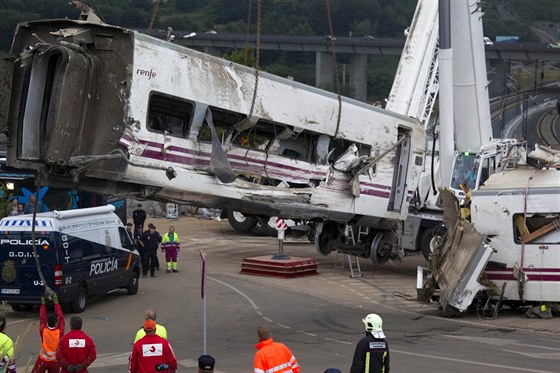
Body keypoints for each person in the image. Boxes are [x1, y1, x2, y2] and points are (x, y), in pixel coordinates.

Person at [32, 292, 65, 373]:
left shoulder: (43, 330)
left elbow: (42, 317)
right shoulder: (60, 332)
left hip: (42, 360)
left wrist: (43, 304)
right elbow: (61, 318)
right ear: (56, 323)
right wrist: (56, 303)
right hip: (55, 362)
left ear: (47, 323)